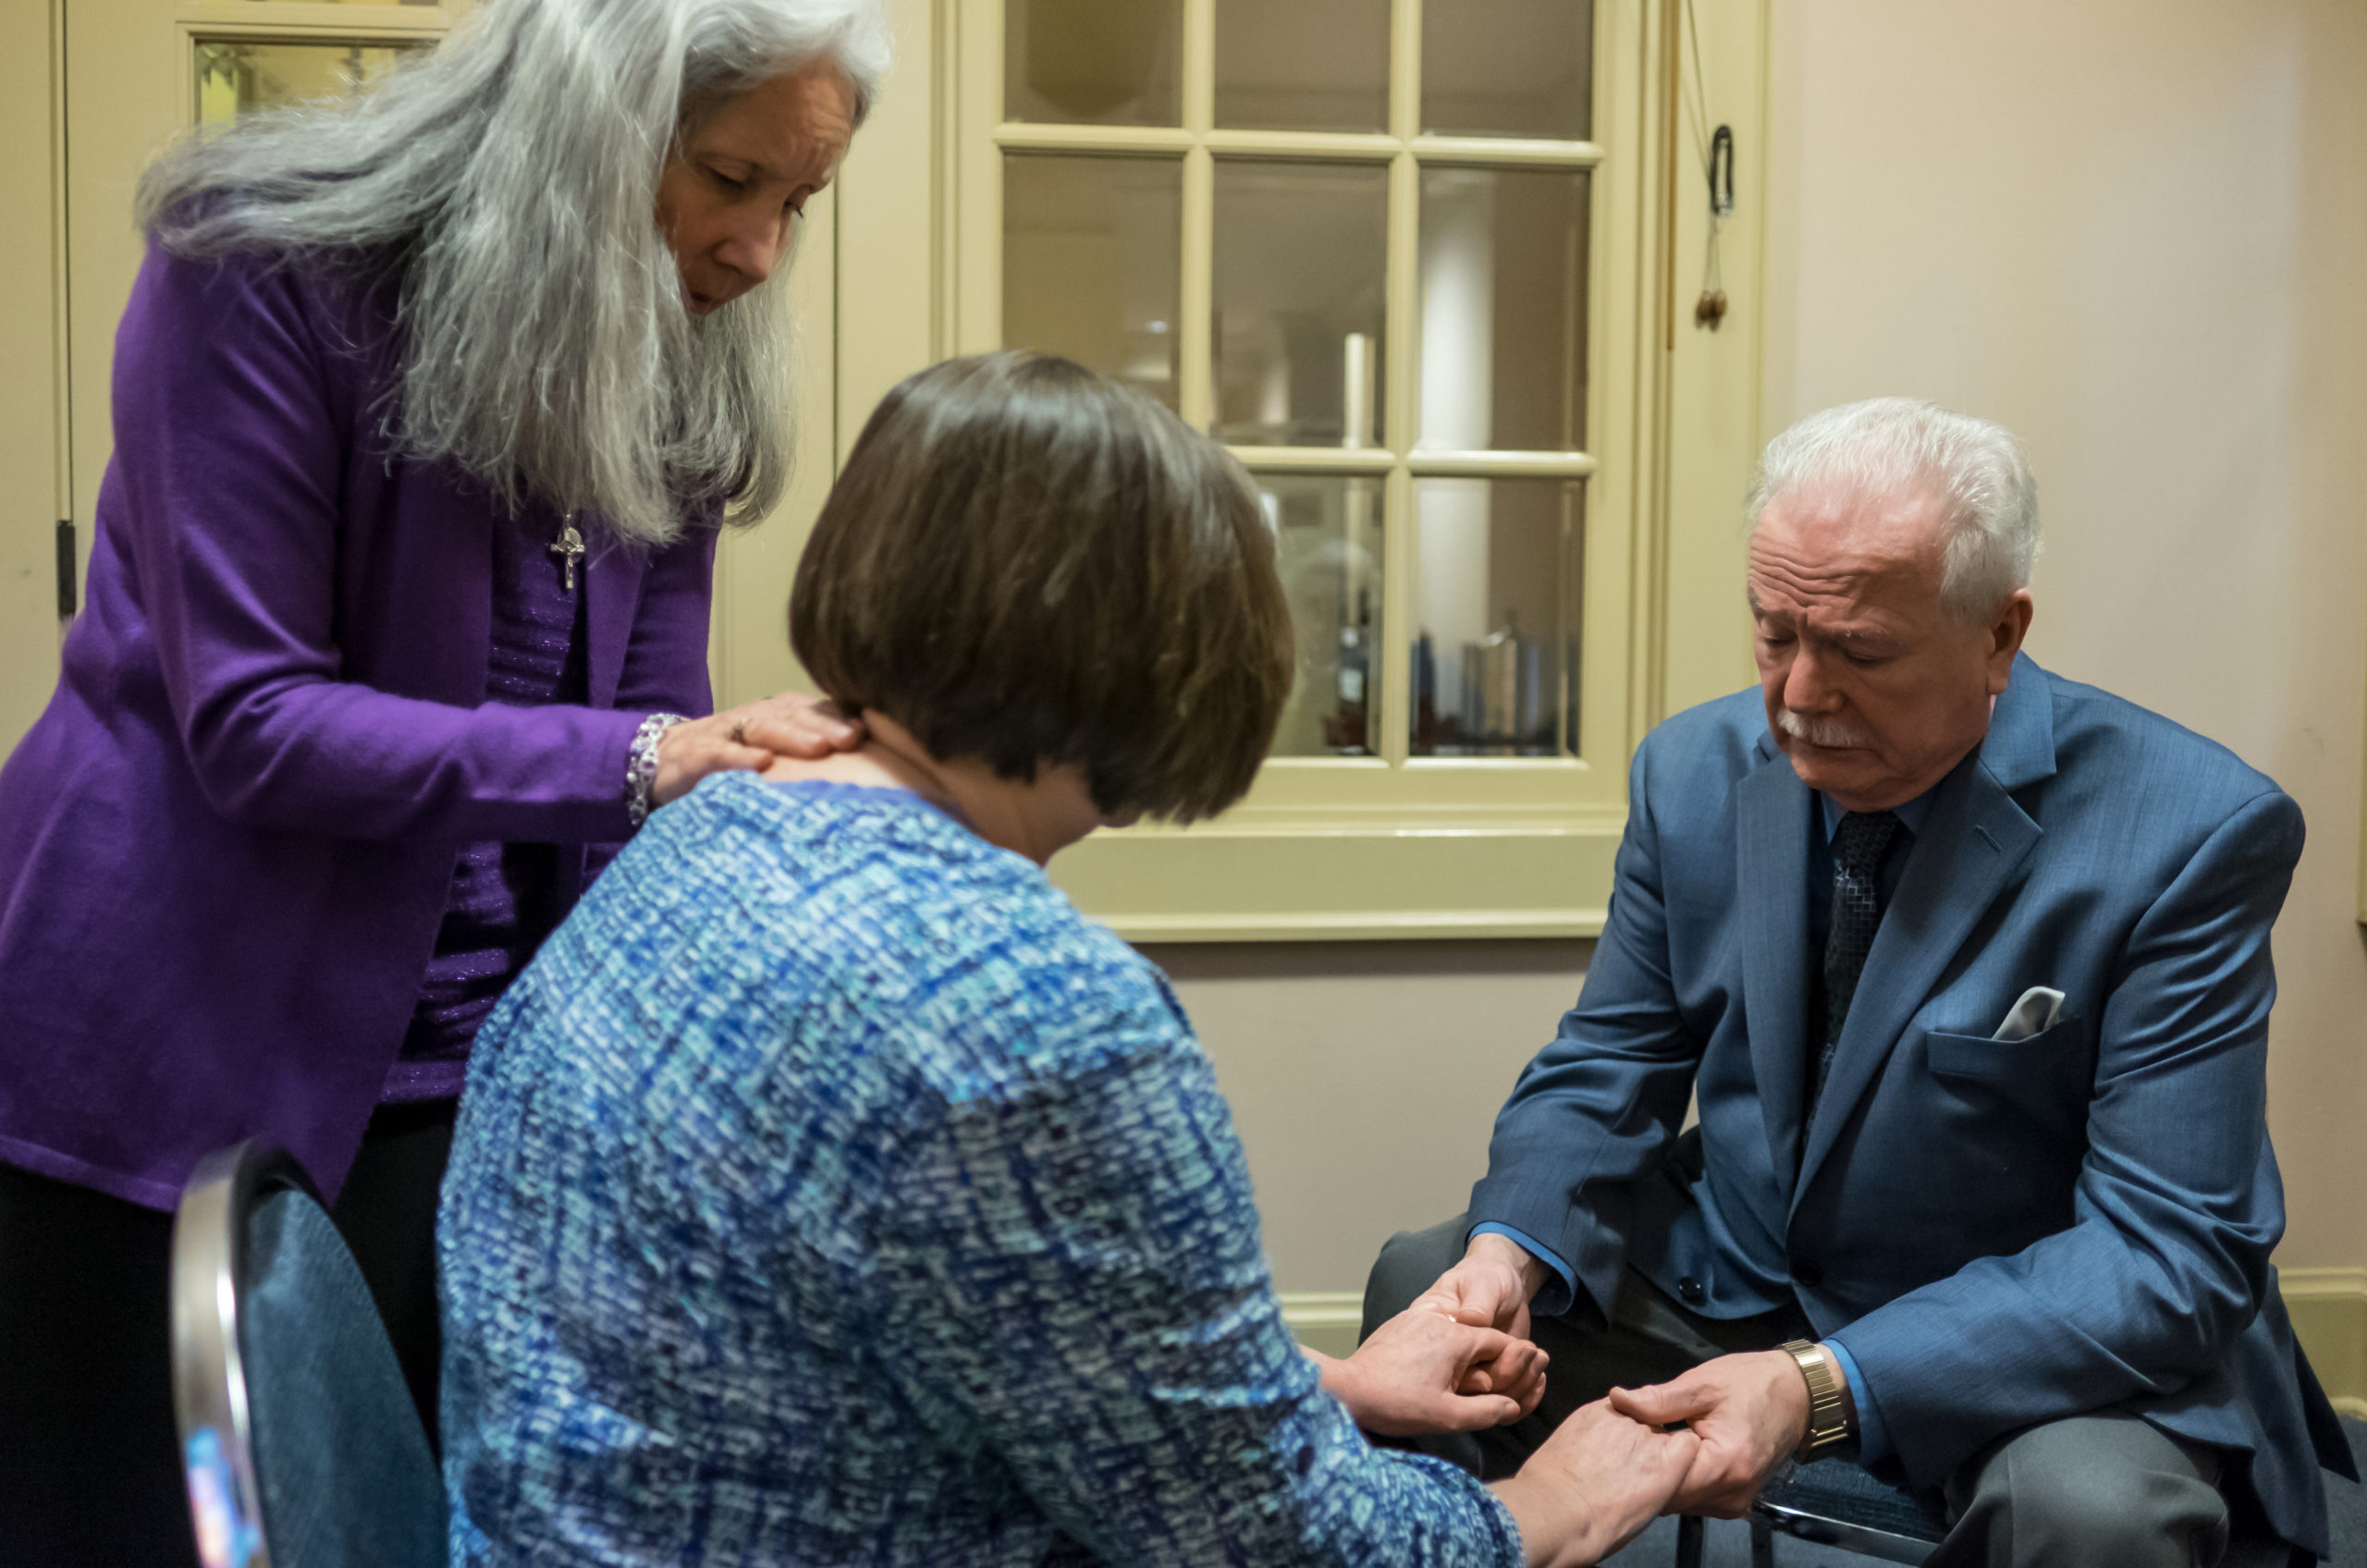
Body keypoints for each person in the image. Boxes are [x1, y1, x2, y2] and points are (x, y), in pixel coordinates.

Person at [437, 350, 1701, 1568]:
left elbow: (919, 1305)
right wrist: (1547, 1511)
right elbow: (1274, 1543)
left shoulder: (701, 829)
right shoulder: (1037, 1015)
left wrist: (1316, 1384)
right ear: (1162, 663)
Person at [0, 0, 889, 1560]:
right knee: (153, 1526)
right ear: (586, 132)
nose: (759, 253)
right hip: (169, 1058)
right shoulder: (262, 264)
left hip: (469, 1084)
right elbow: (259, 724)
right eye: (732, 177)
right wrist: (650, 762)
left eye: (797, 203)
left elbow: (650, 749)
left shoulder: (672, 338)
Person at [1363, 398, 2358, 1566]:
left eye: (1859, 650)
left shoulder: (2187, 830)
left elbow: (2167, 1251)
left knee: (2097, 1514)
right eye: (1773, 632)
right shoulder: (1690, 770)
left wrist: (1819, 1385)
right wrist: (1505, 1256)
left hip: (2033, 1338)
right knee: (1425, 1285)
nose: (1798, 695)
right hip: (1737, 1276)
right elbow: (1608, 1066)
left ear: (1999, 632)